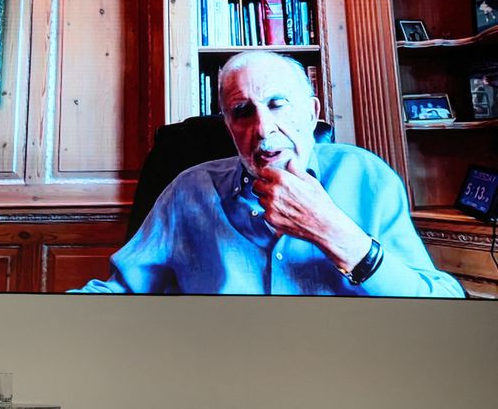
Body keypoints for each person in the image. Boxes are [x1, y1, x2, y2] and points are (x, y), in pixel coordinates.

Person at [72, 51, 464, 297]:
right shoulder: (189, 191)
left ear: (312, 113)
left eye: (277, 105)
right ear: (228, 126)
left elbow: (441, 303)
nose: (263, 128)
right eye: (243, 111)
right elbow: (120, 292)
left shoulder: (368, 178)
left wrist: (329, 229)